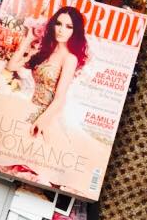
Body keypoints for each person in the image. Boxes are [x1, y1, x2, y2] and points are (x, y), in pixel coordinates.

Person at [6, 7, 88, 142]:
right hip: (30, 108)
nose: (61, 30)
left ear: (75, 31)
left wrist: (42, 120)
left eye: (68, 27)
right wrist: (28, 38)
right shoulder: (45, 52)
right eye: (59, 24)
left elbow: (60, 98)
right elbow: (11, 66)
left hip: (47, 115)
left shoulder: (70, 59)